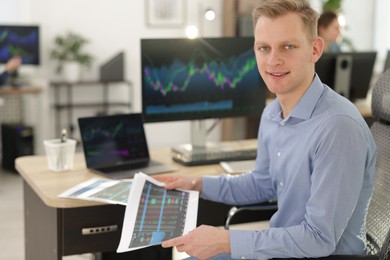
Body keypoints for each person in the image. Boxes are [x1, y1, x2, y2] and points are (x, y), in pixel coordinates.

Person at [156, 0, 376, 259]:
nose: (273, 60)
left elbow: (319, 239)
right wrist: (195, 184)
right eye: (264, 48)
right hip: (285, 249)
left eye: (288, 46)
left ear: (315, 50)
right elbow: (261, 184)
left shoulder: (338, 127)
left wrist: (226, 240)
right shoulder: (272, 114)